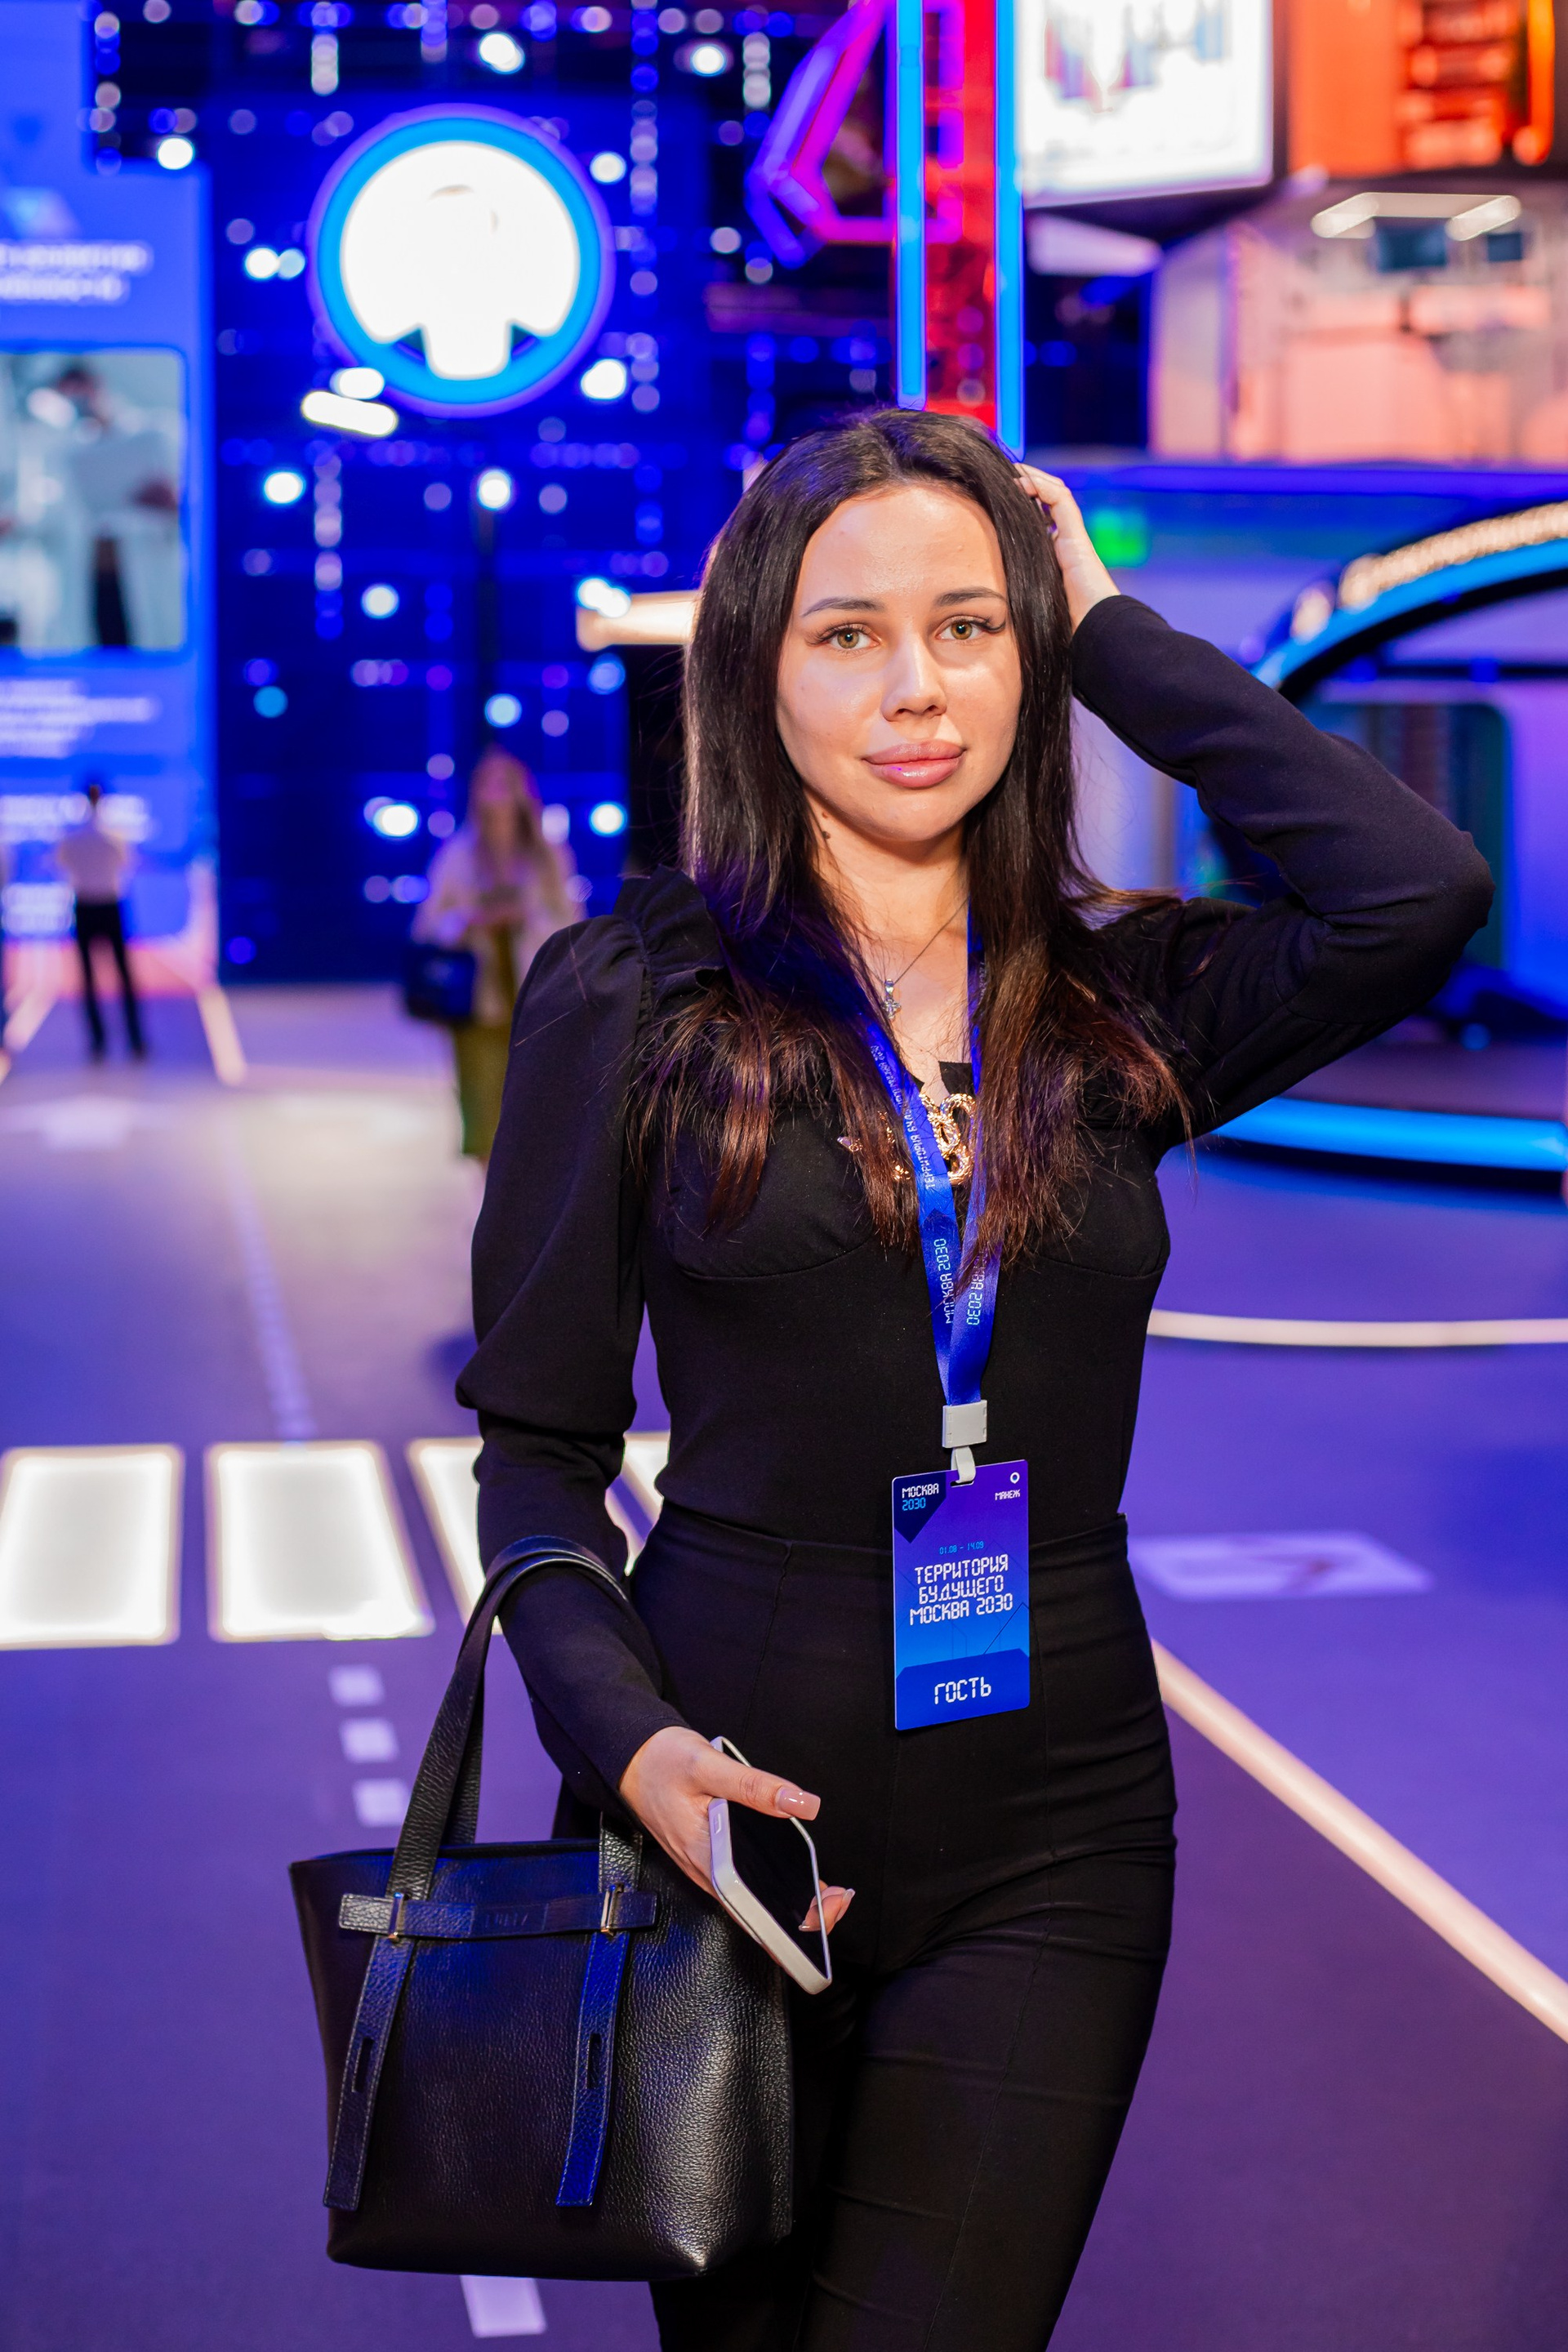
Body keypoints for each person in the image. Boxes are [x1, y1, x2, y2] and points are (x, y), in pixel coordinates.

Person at [459, 412, 1492, 2350]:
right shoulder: (637, 996)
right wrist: (632, 1752)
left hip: (1059, 1826)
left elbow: (1412, 887)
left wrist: (1106, 624)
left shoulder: (1119, 1000)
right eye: (846, 634)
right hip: (730, 1811)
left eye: (969, 626)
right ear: (756, 673)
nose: (917, 688)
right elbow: (536, 1448)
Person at [412, 747, 577, 1162]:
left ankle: (523, 1196)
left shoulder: (546, 855)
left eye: (507, 782)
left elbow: (571, 923)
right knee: (484, 1113)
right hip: (476, 1002)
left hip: (536, 1000)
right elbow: (429, 925)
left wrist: (525, 917)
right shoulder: (458, 854)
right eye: (489, 782)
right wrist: (471, 922)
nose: (499, 793)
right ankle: (490, 1195)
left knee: (534, 1111)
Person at [55, 778, 145, 1061]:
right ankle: (135, 1039)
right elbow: (127, 863)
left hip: (86, 906)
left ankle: (98, 1042)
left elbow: (62, 863)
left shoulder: (73, 835)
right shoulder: (114, 834)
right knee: (123, 975)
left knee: (89, 978)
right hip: (109, 905)